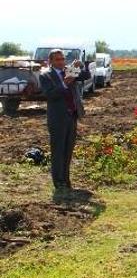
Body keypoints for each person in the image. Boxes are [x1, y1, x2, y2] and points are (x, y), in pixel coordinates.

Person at [39, 49, 91, 190]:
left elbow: (86, 76)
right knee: (58, 150)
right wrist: (63, 84)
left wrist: (80, 66)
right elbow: (50, 95)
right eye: (57, 59)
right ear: (50, 61)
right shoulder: (46, 76)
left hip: (71, 116)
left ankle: (66, 180)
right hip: (57, 118)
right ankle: (59, 181)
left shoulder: (68, 71)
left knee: (68, 150)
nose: (61, 62)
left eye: (62, 59)